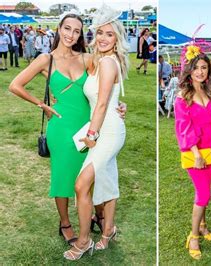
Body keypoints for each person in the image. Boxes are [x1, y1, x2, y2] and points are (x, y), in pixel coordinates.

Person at [9, 12, 126, 253]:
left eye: (76, 31)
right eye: (67, 28)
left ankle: (99, 218)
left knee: (88, 176)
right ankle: (65, 223)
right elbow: (15, 85)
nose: (71, 35)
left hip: (88, 127)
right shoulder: (45, 59)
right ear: (59, 29)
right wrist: (41, 104)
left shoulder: (87, 58)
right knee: (63, 177)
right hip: (61, 127)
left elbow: (103, 90)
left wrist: (119, 107)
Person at [62, 5, 129, 260]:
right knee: (107, 179)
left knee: (81, 185)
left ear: (117, 39)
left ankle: (83, 241)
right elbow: (106, 100)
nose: (102, 38)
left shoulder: (109, 62)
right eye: (100, 33)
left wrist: (92, 134)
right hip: (105, 125)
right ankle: (108, 231)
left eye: (109, 34)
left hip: (107, 131)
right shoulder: (98, 60)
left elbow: (102, 104)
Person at [174, 51, 211, 260]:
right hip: (196, 152)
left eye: (204, 67)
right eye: (196, 68)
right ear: (189, 71)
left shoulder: (210, 92)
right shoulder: (183, 97)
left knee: (205, 192)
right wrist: (196, 153)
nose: (200, 72)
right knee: (203, 195)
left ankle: (202, 225)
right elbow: (184, 128)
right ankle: (193, 236)